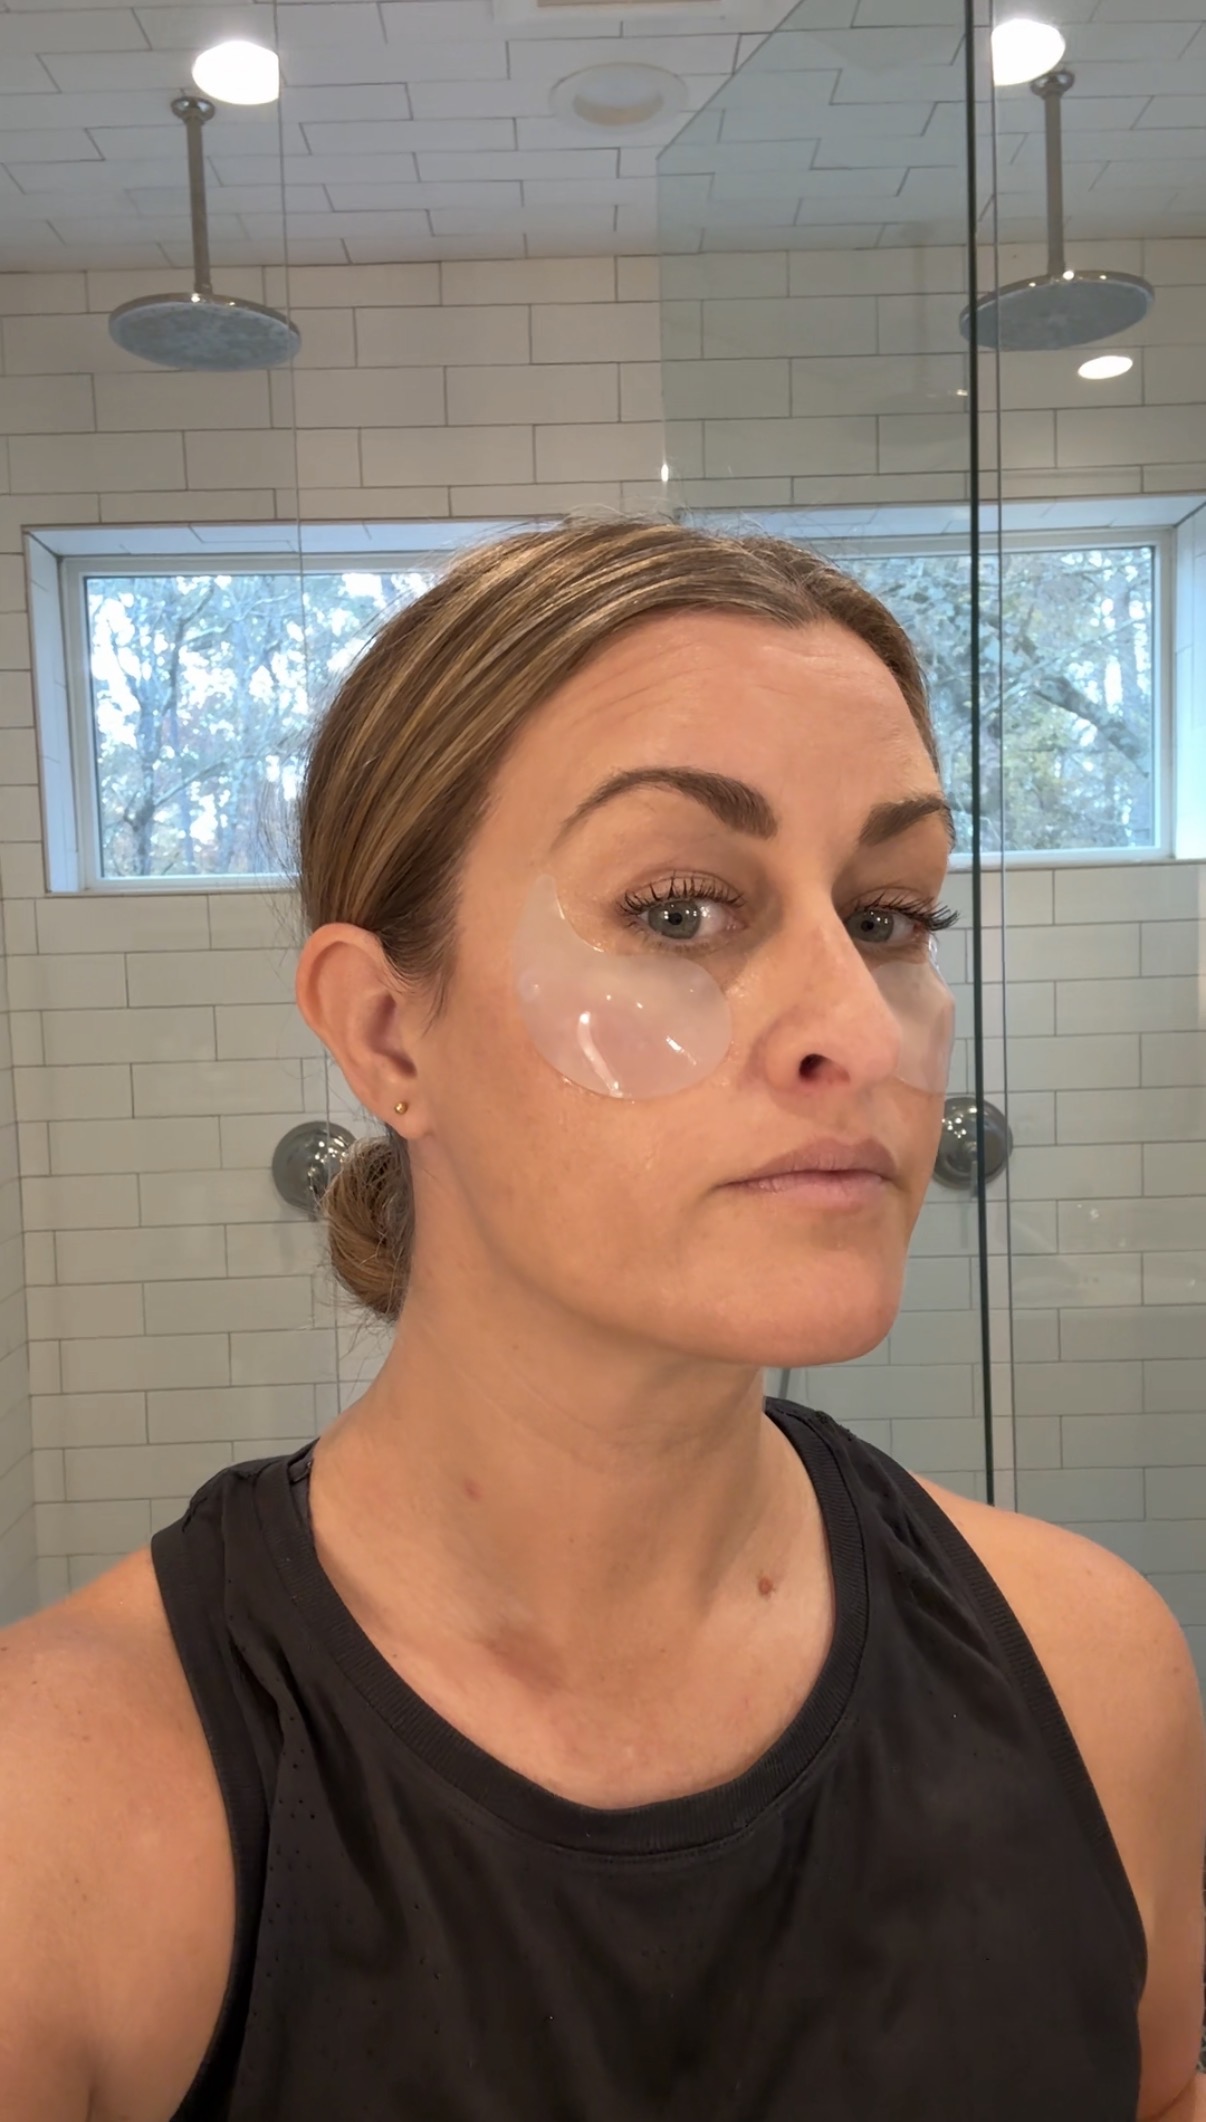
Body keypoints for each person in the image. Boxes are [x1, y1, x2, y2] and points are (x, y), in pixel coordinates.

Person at [1, 518, 1203, 2122]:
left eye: (888, 915)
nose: (858, 1028)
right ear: (387, 1031)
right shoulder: (61, 1820)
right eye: (679, 911)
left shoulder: (1089, 1665)